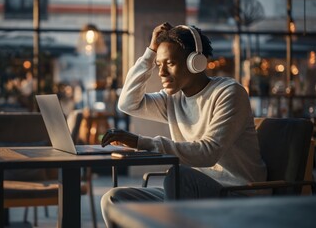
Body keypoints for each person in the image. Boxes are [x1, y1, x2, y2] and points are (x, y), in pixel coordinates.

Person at [100, 22, 267, 227]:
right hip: (190, 193)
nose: (161, 73)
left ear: (195, 62)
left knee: (178, 177)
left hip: (237, 194)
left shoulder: (229, 93)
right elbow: (127, 103)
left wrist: (140, 141)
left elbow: (208, 152)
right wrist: (151, 52)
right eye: (158, 65)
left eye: (169, 63)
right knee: (115, 199)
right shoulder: (173, 99)